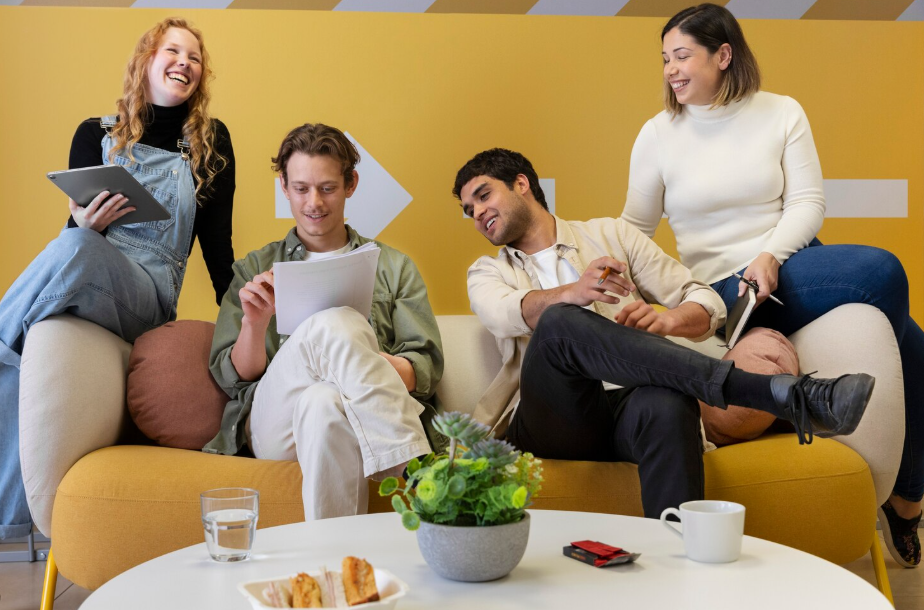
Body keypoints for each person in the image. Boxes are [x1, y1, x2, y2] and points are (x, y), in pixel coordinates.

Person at [620, 2, 923, 565]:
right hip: (724, 294)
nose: (671, 70)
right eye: (665, 59)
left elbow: (808, 202)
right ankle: (907, 499)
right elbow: (634, 229)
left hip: (792, 267)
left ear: (723, 54)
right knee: (886, 278)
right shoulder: (658, 134)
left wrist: (770, 254)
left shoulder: (781, 112)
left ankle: (904, 497)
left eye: (682, 55)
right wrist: (624, 282)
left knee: (914, 342)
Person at [457, 147, 875, 519]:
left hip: (627, 406)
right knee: (558, 321)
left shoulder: (612, 234)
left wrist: (670, 321)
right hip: (552, 419)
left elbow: (704, 300)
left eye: (483, 195)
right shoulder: (488, 271)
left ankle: (681, 564)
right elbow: (504, 313)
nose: (476, 214)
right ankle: (767, 391)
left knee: (668, 400)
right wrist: (575, 291)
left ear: (521, 184)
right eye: (468, 210)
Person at [0, 17, 235, 541]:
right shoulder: (94, 134)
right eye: (173, 51)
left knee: (77, 247)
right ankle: (15, 517)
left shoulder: (211, 143)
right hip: (90, 271)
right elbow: (74, 234)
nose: (185, 63)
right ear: (146, 60)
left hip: (146, 299)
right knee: (73, 249)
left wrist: (248, 325)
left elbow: (219, 249)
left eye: (195, 57)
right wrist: (82, 222)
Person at [206, 123, 442, 521]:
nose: (313, 202)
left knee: (323, 402)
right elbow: (235, 377)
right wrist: (255, 323)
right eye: (300, 189)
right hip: (274, 424)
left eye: (327, 188)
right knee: (332, 324)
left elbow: (426, 367)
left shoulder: (395, 267)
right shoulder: (255, 268)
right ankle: (412, 467)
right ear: (283, 186)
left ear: (351, 184)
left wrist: (357, 358)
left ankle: (334, 560)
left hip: (348, 418)